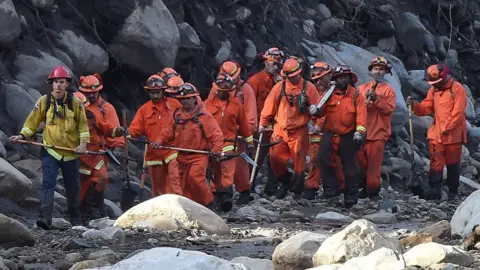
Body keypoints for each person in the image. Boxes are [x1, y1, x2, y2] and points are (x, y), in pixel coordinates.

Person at [10, 66, 89, 229]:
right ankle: (45, 218)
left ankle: (76, 218)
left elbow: (83, 126)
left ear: (67, 84)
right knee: (48, 184)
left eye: (61, 82)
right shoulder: (43, 102)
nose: (58, 85)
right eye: (55, 82)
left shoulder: (75, 103)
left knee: (73, 187)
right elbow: (31, 123)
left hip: (71, 153)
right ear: (51, 84)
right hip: (50, 151)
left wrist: (83, 145)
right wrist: (22, 136)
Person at [259, 58, 320, 199]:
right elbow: (269, 106)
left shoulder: (308, 87)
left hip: (299, 131)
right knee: (275, 158)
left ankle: (297, 191)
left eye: (295, 75)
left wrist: (315, 114)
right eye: (290, 77)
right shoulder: (279, 88)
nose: (292, 79)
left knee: (299, 162)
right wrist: (263, 123)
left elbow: (319, 110)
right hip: (280, 129)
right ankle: (285, 181)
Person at [406, 63, 467, 200]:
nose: (435, 85)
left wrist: (447, 128)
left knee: (452, 163)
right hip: (437, 133)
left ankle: (452, 191)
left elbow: (458, 112)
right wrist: (415, 105)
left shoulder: (457, 89)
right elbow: (426, 108)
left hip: (453, 134)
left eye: (436, 82)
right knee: (435, 162)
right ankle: (434, 190)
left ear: (444, 77)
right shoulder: (433, 90)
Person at [310, 64, 367, 208]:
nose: (343, 80)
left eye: (345, 77)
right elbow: (322, 112)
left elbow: (361, 116)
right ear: (335, 78)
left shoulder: (356, 95)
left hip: (347, 134)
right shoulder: (329, 94)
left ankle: (351, 195)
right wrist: (315, 110)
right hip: (330, 132)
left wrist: (359, 132)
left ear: (349, 78)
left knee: (349, 166)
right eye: (340, 77)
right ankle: (331, 189)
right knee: (322, 159)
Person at [209, 61, 258, 205]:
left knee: (240, 166)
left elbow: (250, 117)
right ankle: (217, 194)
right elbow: (205, 112)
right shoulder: (215, 90)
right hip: (216, 138)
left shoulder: (246, 90)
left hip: (236, 136)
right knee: (215, 167)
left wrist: (245, 132)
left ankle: (243, 191)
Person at [73, 91, 124, 224]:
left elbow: (105, 128)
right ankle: (81, 212)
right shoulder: (67, 121)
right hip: (79, 158)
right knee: (81, 187)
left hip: (95, 156)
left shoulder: (91, 117)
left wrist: (118, 131)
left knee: (102, 178)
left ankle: (92, 208)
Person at [128, 75, 183, 197]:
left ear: (163, 91)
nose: (155, 96)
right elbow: (136, 128)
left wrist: (161, 140)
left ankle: (179, 206)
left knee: (174, 180)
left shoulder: (174, 105)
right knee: (158, 189)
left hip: (172, 150)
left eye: (157, 92)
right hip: (154, 154)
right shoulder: (144, 110)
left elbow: (174, 126)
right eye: (152, 93)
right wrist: (128, 133)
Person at [173, 83, 224, 208]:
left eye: (188, 98)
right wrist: (159, 141)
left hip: (198, 156)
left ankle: (209, 203)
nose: (185, 102)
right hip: (181, 156)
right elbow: (168, 132)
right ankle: (193, 207)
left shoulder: (203, 116)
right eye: (182, 99)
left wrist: (216, 150)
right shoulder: (176, 116)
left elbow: (216, 135)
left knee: (195, 178)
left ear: (194, 99)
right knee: (183, 183)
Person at [356, 57, 396, 199]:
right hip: (361, 131)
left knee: (374, 165)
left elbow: (389, 110)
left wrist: (376, 99)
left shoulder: (389, 91)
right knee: (359, 162)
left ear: (385, 72)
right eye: (376, 69)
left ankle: (372, 192)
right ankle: (363, 185)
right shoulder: (361, 89)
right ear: (371, 70)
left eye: (381, 69)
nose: (378, 71)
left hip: (378, 133)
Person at [303, 61, 342, 200]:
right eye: (317, 79)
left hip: (332, 130)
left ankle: (335, 188)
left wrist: (319, 124)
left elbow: (331, 112)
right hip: (315, 131)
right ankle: (312, 187)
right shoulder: (311, 90)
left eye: (322, 78)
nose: (319, 81)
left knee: (334, 161)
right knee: (315, 160)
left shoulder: (335, 92)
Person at [78, 73, 124, 166]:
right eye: (87, 93)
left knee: (100, 178)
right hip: (79, 149)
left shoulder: (106, 108)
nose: (91, 95)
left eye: (93, 92)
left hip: (98, 151)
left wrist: (118, 146)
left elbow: (113, 128)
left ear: (99, 91)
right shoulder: (76, 105)